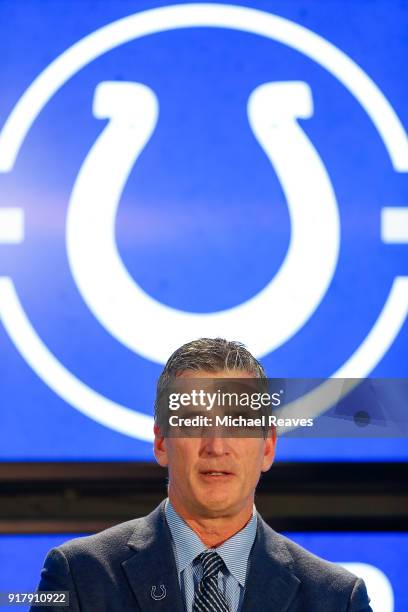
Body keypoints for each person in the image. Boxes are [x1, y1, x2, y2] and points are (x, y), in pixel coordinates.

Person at [32, 338, 372, 611]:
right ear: (162, 442)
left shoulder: (336, 598)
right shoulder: (81, 576)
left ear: (267, 446)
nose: (216, 445)